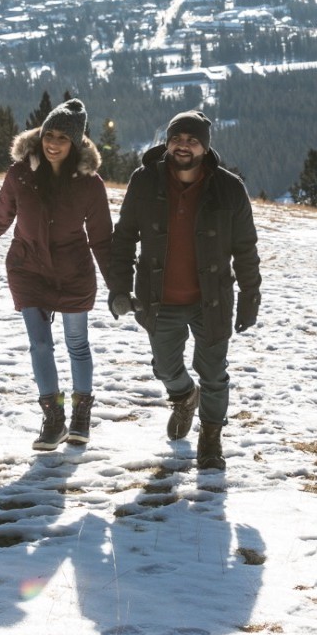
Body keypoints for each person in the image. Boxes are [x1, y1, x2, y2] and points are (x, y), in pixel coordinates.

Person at [106, 109, 261, 473]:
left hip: (212, 300)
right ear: (167, 141)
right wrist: (119, 288)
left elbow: (246, 248)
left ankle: (210, 437)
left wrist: (251, 297)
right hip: (158, 299)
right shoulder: (144, 181)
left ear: (205, 148)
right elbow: (125, 237)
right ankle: (183, 397)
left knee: (213, 373)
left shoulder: (229, 188)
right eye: (178, 138)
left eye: (192, 140)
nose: (183, 145)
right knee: (165, 368)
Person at [0, 98, 121, 450]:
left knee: (77, 344)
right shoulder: (20, 173)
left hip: (73, 271)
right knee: (39, 344)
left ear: (76, 143)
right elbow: (0, 216)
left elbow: (101, 238)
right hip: (27, 267)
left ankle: (81, 417)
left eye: (62, 138)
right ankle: (54, 419)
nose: (53, 143)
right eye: (49, 134)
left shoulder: (89, 183)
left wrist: (118, 286)